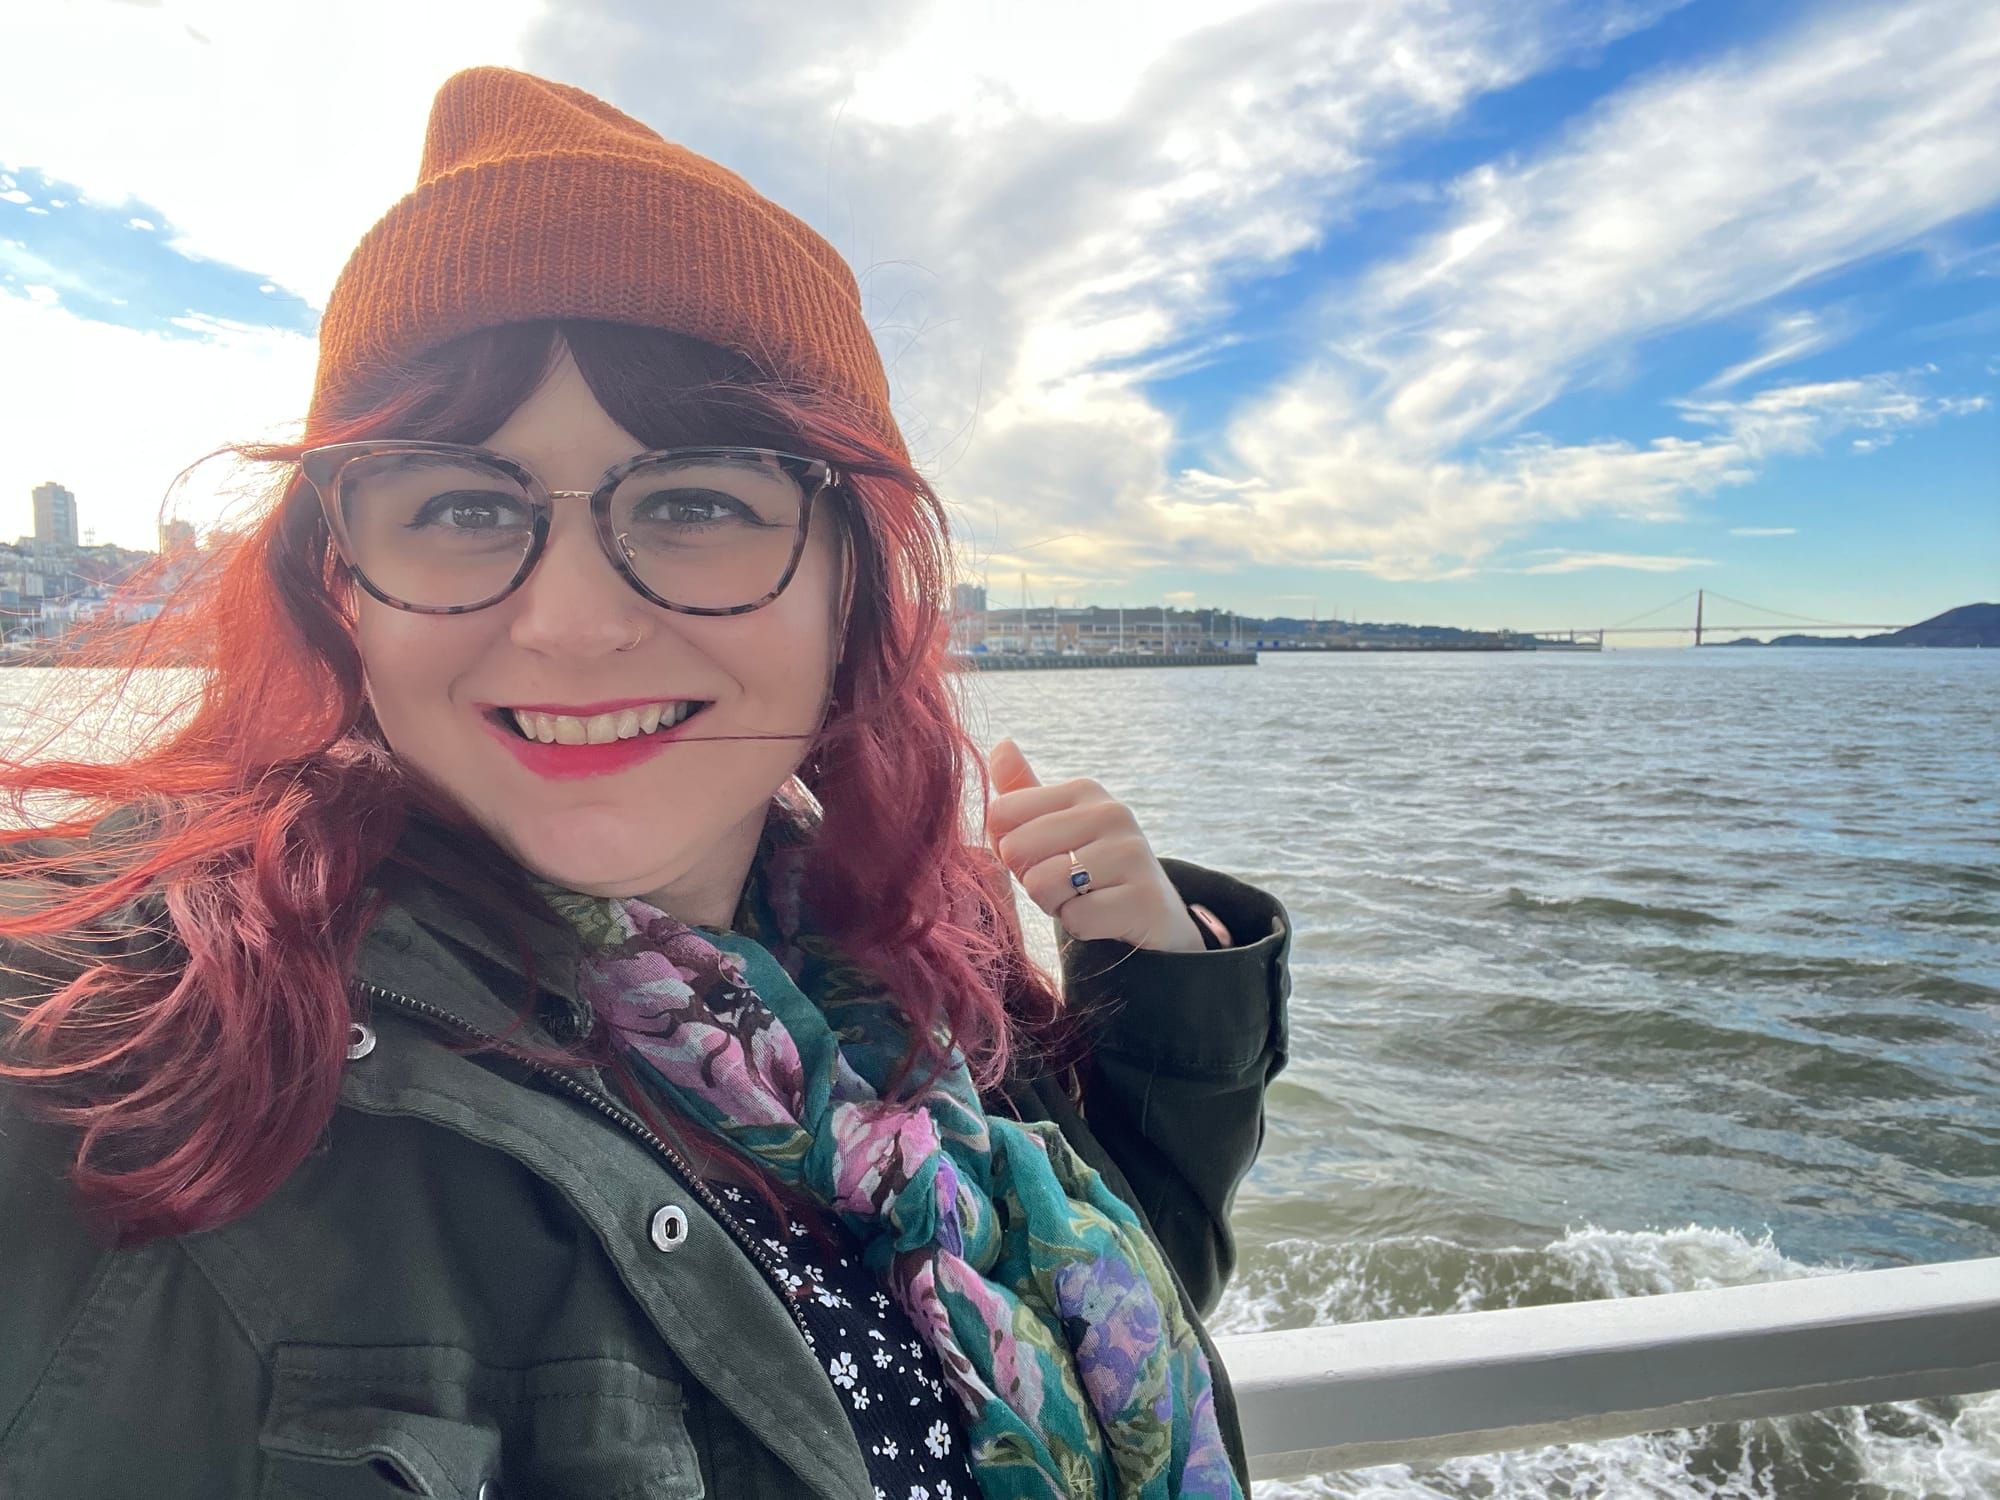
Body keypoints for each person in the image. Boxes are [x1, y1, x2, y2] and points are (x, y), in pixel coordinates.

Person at [0, 67, 1291, 1500]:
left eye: (694, 503)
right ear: (344, 586)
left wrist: (1164, 992)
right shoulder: (112, 1046)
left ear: (850, 591)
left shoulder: (915, 985)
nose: (567, 622)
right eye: (461, 505)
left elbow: (1113, 1323)